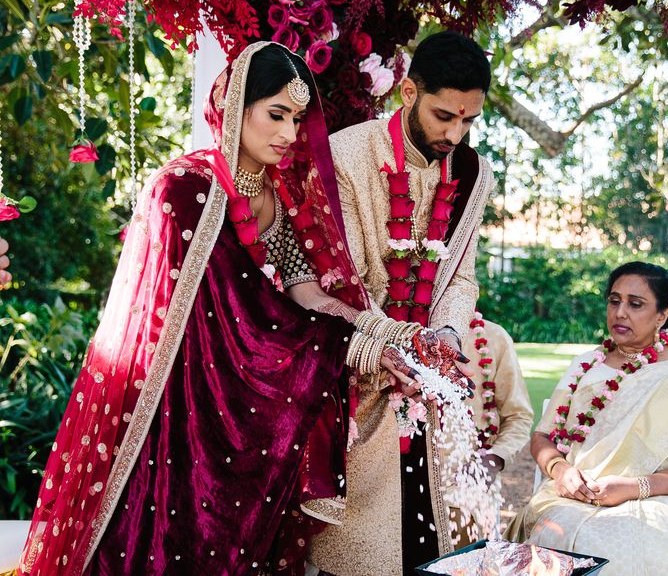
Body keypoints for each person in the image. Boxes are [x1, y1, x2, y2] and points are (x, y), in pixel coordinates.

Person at [19, 42, 464, 576]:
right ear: (235, 107)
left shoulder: (288, 195)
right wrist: (354, 345)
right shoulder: (183, 191)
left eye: (297, 119)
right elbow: (237, 317)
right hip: (179, 416)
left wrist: (387, 338)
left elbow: (310, 294)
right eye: (276, 115)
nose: (288, 135)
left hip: (249, 423)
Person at [310, 31, 495, 574]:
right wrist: (390, 346)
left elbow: (461, 277)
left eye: (469, 122)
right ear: (408, 92)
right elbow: (333, 283)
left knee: (433, 540)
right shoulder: (345, 156)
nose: (455, 135)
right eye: (444, 116)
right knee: (359, 550)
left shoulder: (471, 174)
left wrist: (447, 335)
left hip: (428, 381)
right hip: (356, 368)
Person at [508, 262, 668, 575]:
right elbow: (543, 437)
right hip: (571, 495)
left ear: (662, 315)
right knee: (558, 534)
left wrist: (635, 488)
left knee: (623, 544)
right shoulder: (585, 364)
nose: (620, 312)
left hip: (656, 500)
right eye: (614, 300)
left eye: (636, 304)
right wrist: (560, 469)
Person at [446, 314, 533, 547]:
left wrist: (493, 460)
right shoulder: (398, 331)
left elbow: (519, 416)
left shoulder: (492, 337)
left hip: (469, 477)